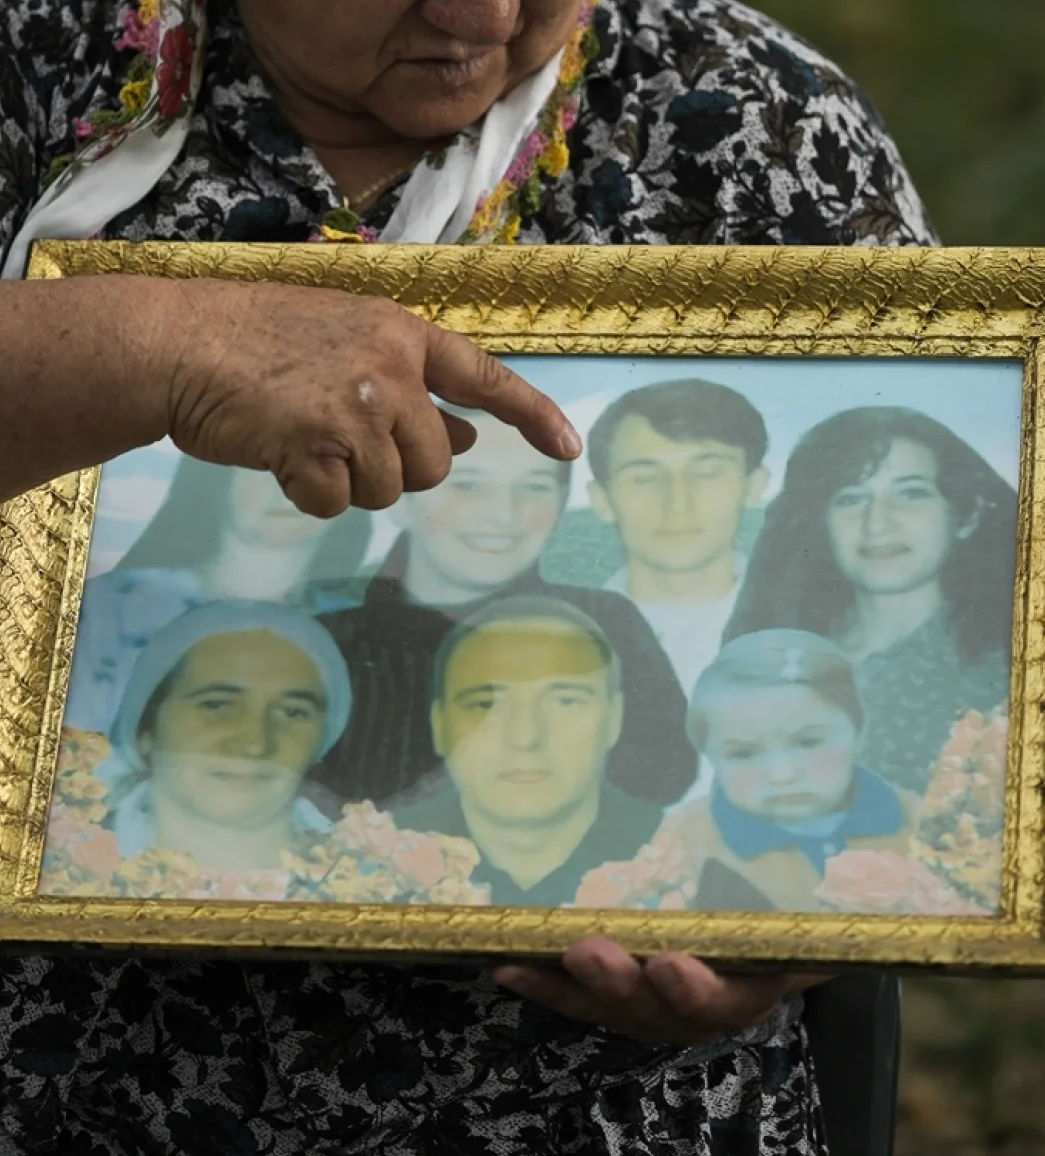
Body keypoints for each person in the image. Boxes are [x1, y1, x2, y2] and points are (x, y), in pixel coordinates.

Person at [0, 0, 933, 1151]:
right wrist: (160, 351)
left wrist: (792, 921)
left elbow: (904, 624)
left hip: (578, 1096)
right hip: (43, 1065)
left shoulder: (743, 128)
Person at [319, 408, 695, 807]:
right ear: (400, 502)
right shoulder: (324, 647)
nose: (503, 515)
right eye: (466, 485)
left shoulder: (604, 625)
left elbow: (662, 780)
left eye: (534, 487)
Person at [726, 407, 1015, 792]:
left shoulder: (1003, 671)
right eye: (850, 499)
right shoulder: (774, 656)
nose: (877, 523)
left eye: (911, 494)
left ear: (967, 516)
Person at [46, 602, 352, 886]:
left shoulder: (370, 880)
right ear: (146, 727)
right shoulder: (56, 867)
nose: (254, 744)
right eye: (217, 706)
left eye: (293, 712)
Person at [65, 455, 371, 734]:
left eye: (319, 467)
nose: (288, 489)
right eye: (263, 468)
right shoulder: (108, 607)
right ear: (215, 482)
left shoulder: (364, 634)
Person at [394, 598, 662, 905]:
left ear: (614, 719)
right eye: (486, 704)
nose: (525, 737)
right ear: (439, 726)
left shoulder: (681, 853)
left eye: (565, 701)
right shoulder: (374, 856)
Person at [670, 630, 916, 912]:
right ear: (709, 753)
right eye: (744, 753)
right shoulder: (684, 844)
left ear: (859, 731)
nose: (782, 775)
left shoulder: (922, 826)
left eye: (809, 742)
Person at [586, 379, 769, 698]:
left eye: (707, 473)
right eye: (644, 478)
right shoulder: (564, 638)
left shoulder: (815, 624)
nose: (678, 504)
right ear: (602, 499)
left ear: (753, 486)